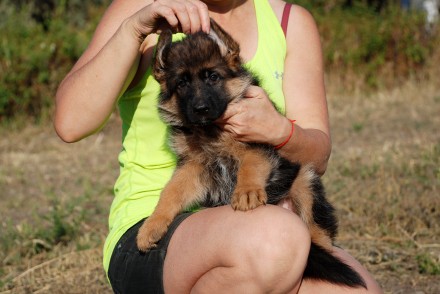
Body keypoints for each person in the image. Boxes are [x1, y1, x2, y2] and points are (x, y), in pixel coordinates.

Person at [54, 0, 383, 293]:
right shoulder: (141, 9)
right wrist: (133, 30)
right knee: (275, 239)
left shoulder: (289, 21)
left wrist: (279, 131)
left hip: (268, 229)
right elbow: (69, 124)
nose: (198, 96)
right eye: (184, 83)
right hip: (156, 234)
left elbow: (318, 157)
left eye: (212, 77)